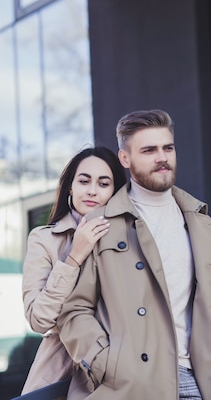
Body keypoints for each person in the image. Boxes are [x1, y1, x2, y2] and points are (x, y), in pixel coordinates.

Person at [57, 109, 211, 400]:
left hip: (196, 380)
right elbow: (73, 310)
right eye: (149, 150)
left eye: (167, 148)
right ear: (125, 159)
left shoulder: (199, 220)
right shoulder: (101, 223)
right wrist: (108, 363)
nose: (161, 157)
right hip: (134, 385)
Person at [21, 146, 127, 396]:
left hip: (121, 364)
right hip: (63, 370)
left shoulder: (129, 236)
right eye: (84, 181)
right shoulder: (44, 239)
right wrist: (74, 257)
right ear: (70, 186)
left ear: (115, 191)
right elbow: (39, 319)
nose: (92, 190)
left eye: (103, 183)